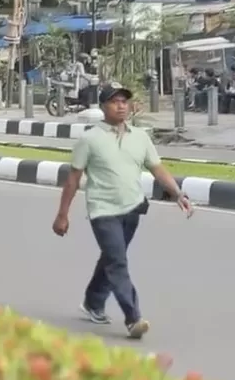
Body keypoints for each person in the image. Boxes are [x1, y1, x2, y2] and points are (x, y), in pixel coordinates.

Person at [53, 84, 193, 339]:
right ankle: (133, 318)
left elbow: (157, 168)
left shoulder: (140, 137)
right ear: (103, 106)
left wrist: (178, 193)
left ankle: (93, 302)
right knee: (118, 261)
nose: (121, 106)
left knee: (111, 257)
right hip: (102, 210)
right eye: (114, 101)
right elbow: (73, 179)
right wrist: (63, 214)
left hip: (132, 208)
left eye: (124, 102)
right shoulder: (89, 139)